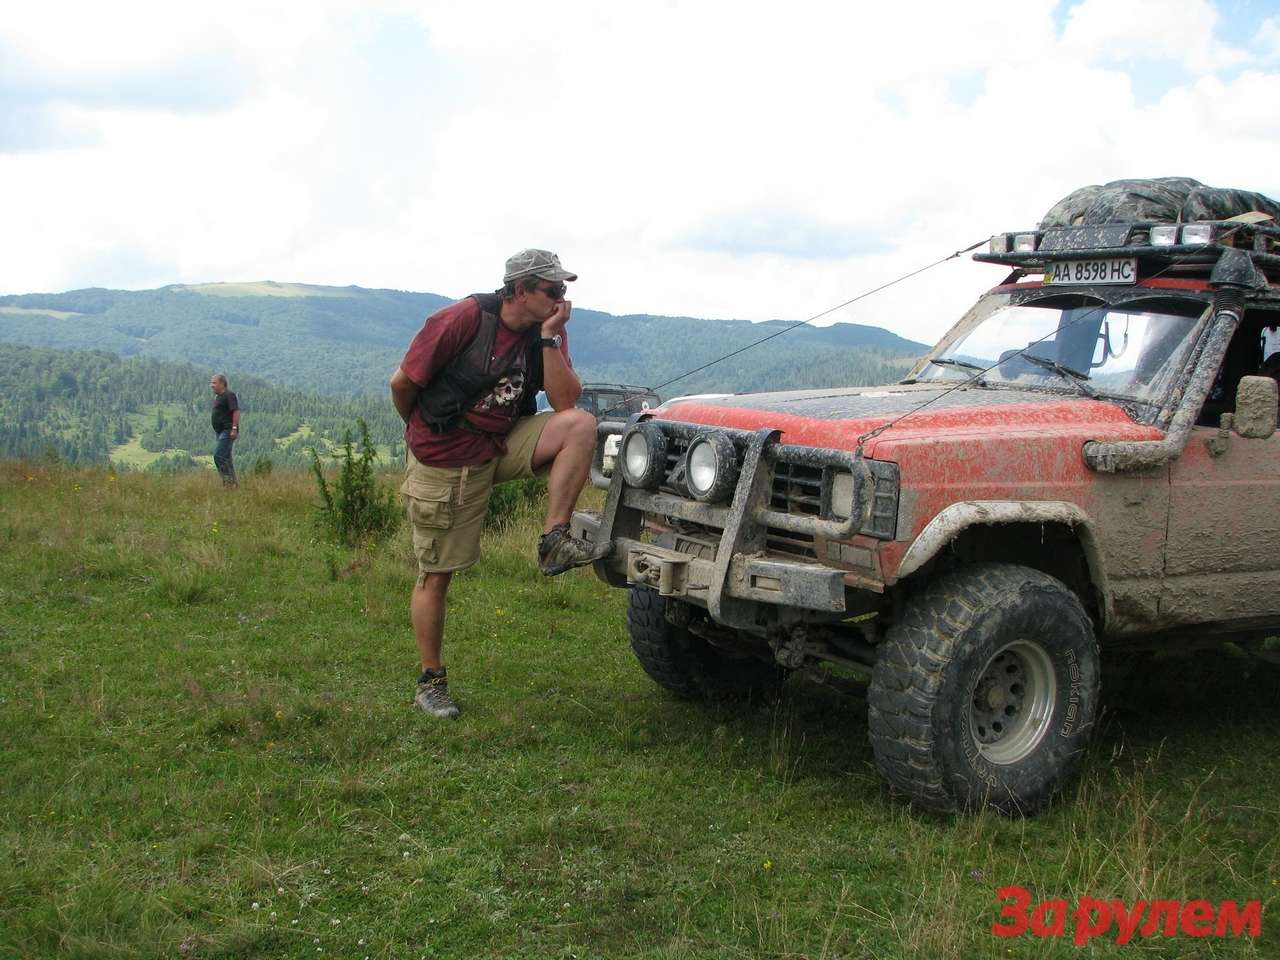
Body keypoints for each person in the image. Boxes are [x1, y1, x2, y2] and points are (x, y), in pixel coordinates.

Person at [389, 249, 610, 720]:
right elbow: (402, 384)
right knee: (437, 574)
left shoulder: (545, 330)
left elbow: (566, 401)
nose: (561, 299)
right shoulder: (461, 320)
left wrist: (550, 338)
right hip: (446, 456)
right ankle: (431, 682)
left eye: (564, 290)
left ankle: (555, 539)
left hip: (499, 442)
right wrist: (424, 433)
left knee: (581, 426)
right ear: (521, 289)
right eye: (552, 290)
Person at [209, 373, 240, 487]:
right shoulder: (219, 397)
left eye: (214, 383)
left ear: (222, 384)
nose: (211, 385)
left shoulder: (229, 395)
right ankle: (233, 485)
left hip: (227, 431)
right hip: (221, 432)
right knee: (227, 459)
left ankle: (227, 482)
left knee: (219, 456)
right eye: (211, 383)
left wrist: (234, 428)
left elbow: (236, 411)